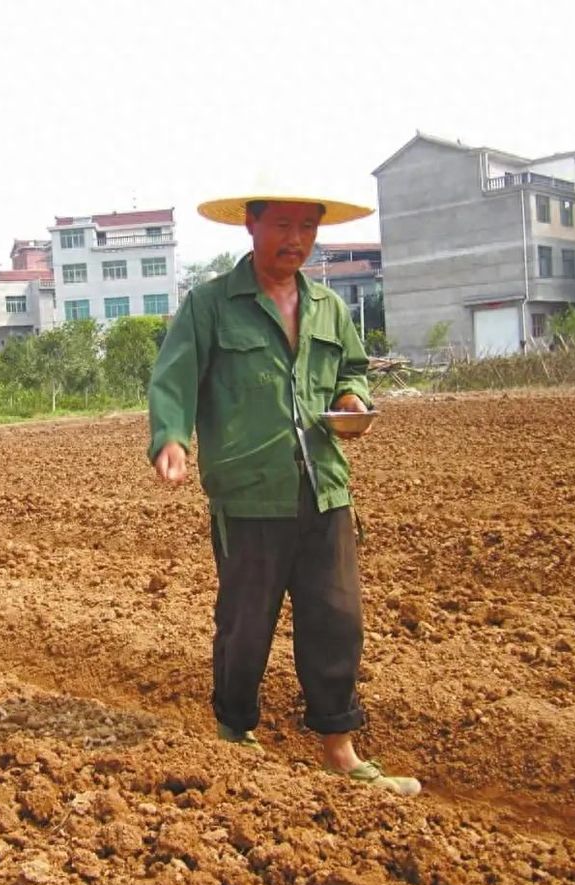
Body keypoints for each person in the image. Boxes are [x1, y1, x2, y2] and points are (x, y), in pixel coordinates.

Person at [147, 191, 420, 796]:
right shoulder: (211, 305)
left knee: (338, 617)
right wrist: (172, 439)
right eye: (281, 225)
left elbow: (352, 369)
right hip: (249, 490)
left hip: (324, 484)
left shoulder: (327, 306)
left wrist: (353, 398)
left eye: (306, 227)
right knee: (246, 622)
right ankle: (235, 733)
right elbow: (174, 378)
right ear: (251, 225)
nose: (294, 239)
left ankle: (340, 749)